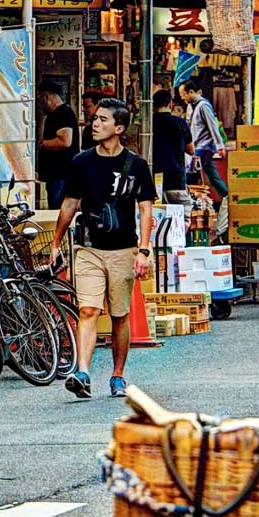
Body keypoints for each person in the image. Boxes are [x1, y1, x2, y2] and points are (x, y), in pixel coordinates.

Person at [49, 98, 155, 400]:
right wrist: (56, 243)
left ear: (119, 128)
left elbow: (146, 210)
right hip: (88, 249)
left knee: (120, 315)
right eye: (95, 118)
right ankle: (82, 372)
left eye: (103, 120)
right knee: (88, 309)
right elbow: (69, 204)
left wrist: (144, 251)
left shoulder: (137, 166)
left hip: (123, 249)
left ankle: (117, 375)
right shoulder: (81, 162)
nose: (95, 124)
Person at [178, 80, 228, 201]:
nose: (182, 97)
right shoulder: (190, 106)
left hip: (203, 147)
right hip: (196, 146)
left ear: (191, 92)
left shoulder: (203, 106)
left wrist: (220, 146)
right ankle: (228, 197)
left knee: (191, 174)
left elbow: (213, 126)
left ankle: (191, 202)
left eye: (183, 94)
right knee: (212, 177)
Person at [37, 81, 81, 209]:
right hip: (55, 175)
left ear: (46, 95)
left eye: (40, 98)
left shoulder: (63, 113)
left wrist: (42, 144)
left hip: (61, 174)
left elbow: (65, 141)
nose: (39, 104)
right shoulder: (55, 115)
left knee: (58, 208)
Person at [151, 89, 193, 204]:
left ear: (153, 105)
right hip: (176, 181)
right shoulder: (180, 123)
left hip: (153, 182)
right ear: (171, 104)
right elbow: (191, 150)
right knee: (182, 219)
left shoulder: (148, 124)